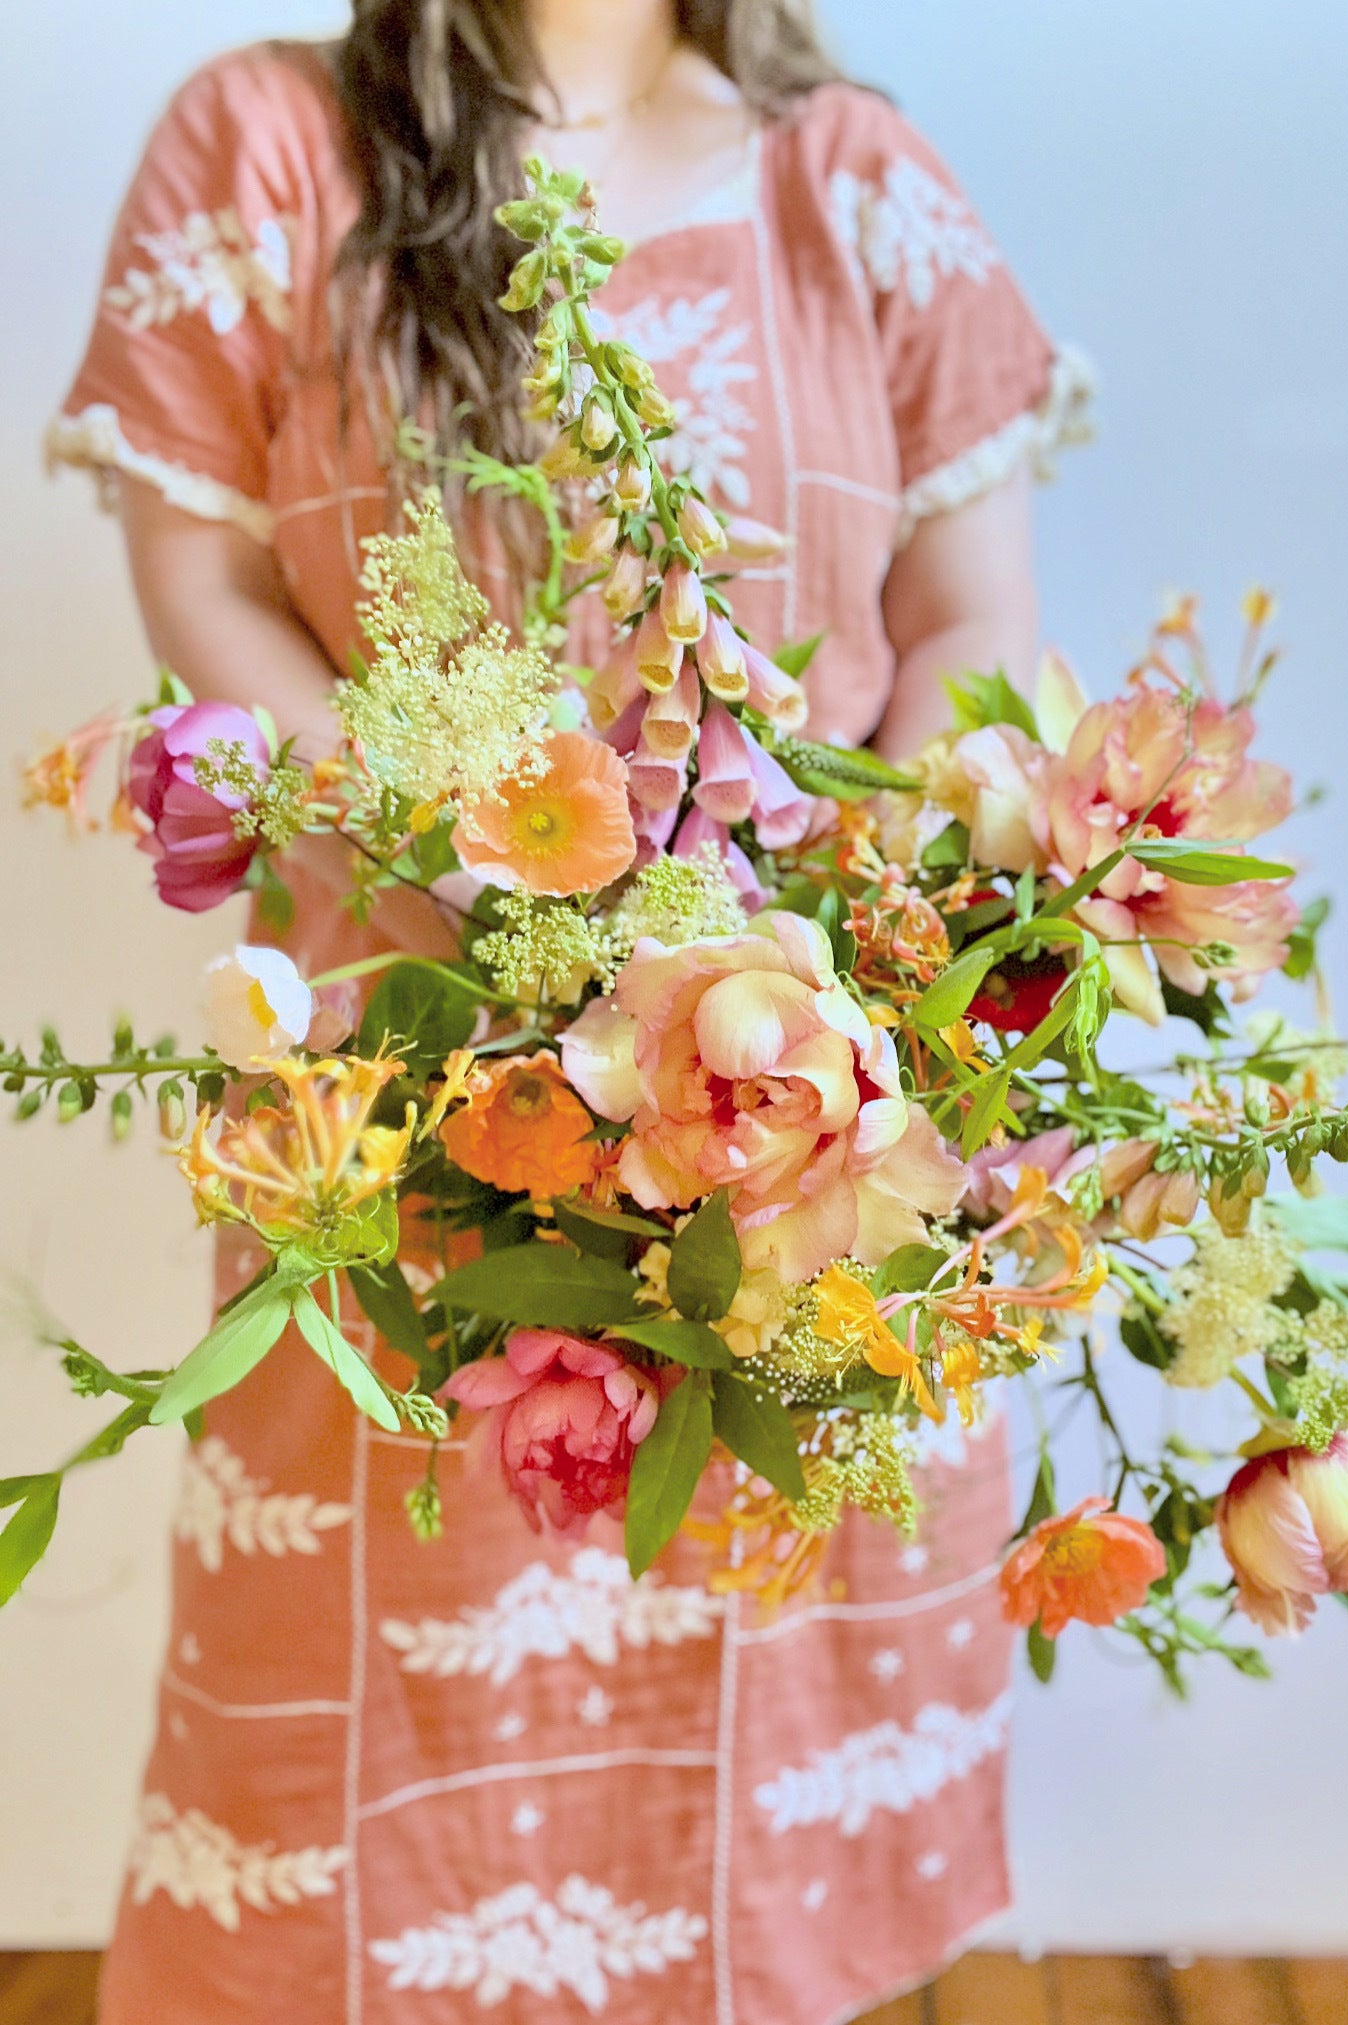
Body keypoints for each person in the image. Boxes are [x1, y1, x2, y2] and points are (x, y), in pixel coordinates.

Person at [50, 3, 1090, 2018]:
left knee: (782, 1705)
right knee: (360, 1747)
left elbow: (974, 619)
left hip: (802, 1125)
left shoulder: (852, 172)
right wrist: (502, 876)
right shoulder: (270, 141)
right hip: (408, 1099)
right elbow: (206, 587)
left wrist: (807, 942)